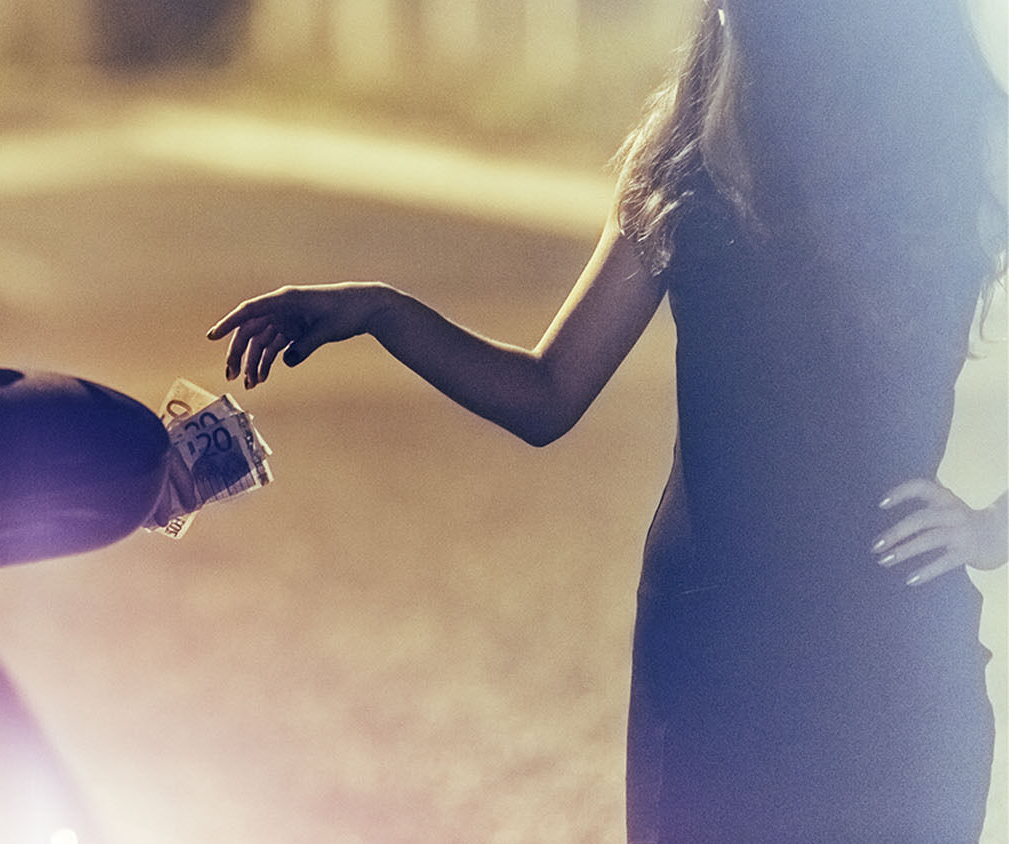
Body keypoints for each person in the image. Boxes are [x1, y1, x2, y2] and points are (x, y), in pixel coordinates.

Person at [207, 0, 1007, 840]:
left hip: (890, 656)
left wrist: (993, 528)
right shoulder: (691, 151)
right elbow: (547, 393)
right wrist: (383, 311)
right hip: (711, 642)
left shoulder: (966, 136)